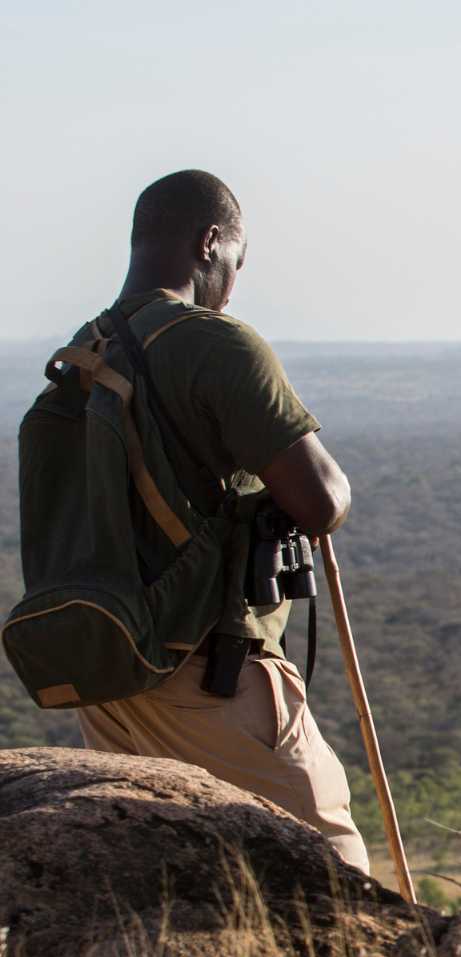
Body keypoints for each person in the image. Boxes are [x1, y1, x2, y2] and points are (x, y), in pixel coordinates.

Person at [63, 170, 370, 871]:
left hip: (107, 674)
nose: (232, 283)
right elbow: (323, 499)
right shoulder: (215, 343)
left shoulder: (80, 355)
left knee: (173, 880)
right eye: (236, 261)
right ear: (211, 243)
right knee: (333, 869)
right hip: (209, 671)